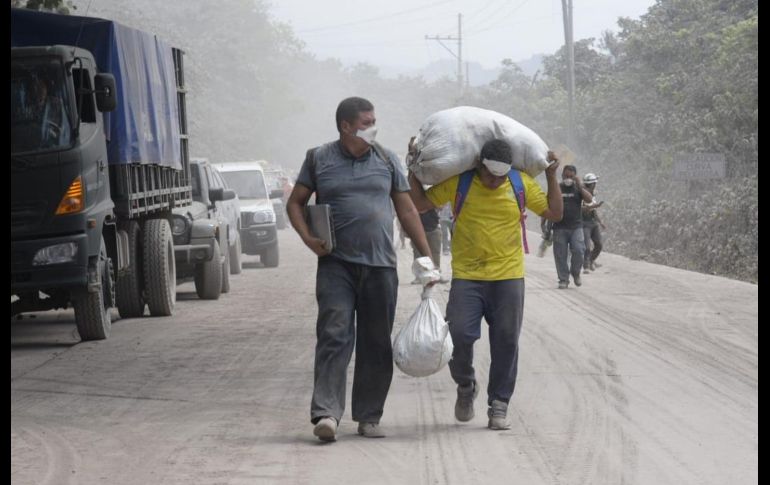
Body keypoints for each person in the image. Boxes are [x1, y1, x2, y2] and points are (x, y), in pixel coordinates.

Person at [286, 96, 436, 442]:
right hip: (336, 265)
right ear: (346, 126)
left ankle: (369, 416)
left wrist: (425, 257)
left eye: (373, 121)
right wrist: (308, 239)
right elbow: (295, 203)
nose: (373, 128)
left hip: (380, 266)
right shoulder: (319, 159)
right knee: (334, 334)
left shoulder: (387, 158)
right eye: (366, 123)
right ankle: (327, 413)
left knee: (376, 342)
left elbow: (407, 210)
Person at [408, 139, 563, 430]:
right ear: (479, 165)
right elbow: (419, 203)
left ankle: (499, 404)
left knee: (506, 341)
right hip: (468, 276)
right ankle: (466, 385)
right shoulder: (461, 182)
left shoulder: (520, 183)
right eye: (490, 175)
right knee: (457, 336)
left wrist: (552, 176)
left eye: (500, 177)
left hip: (509, 277)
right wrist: (412, 167)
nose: (495, 182)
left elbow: (554, 213)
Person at [552, 165, 593, 289]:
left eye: (571, 176)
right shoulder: (557, 187)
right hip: (559, 227)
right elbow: (548, 205)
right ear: (562, 175)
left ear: (575, 176)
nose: (568, 178)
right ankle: (563, 279)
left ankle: (576, 273)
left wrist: (580, 186)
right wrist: (545, 225)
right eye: (566, 176)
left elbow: (589, 200)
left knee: (579, 250)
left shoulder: (578, 188)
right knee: (560, 254)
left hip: (576, 227)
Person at [581, 173, 606, 273]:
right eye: (594, 183)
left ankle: (591, 260)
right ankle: (586, 266)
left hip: (593, 223)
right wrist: (595, 206)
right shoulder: (582, 195)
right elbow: (583, 210)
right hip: (584, 223)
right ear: (591, 184)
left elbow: (594, 211)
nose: (595, 185)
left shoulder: (593, 194)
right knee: (587, 247)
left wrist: (600, 222)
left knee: (599, 245)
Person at [410, 208, 443, 284]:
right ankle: (418, 277)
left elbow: (440, 206)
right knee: (418, 254)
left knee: (435, 253)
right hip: (417, 229)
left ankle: (436, 275)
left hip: (433, 227)